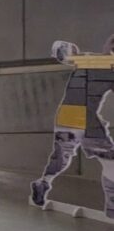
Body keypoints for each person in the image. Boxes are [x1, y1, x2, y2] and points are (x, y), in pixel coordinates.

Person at [30, 35, 114, 218]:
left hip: (67, 117)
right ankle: (112, 208)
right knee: (109, 162)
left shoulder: (87, 59)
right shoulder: (101, 64)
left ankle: (43, 182)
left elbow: (61, 52)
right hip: (87, 120)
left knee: (62, 156)